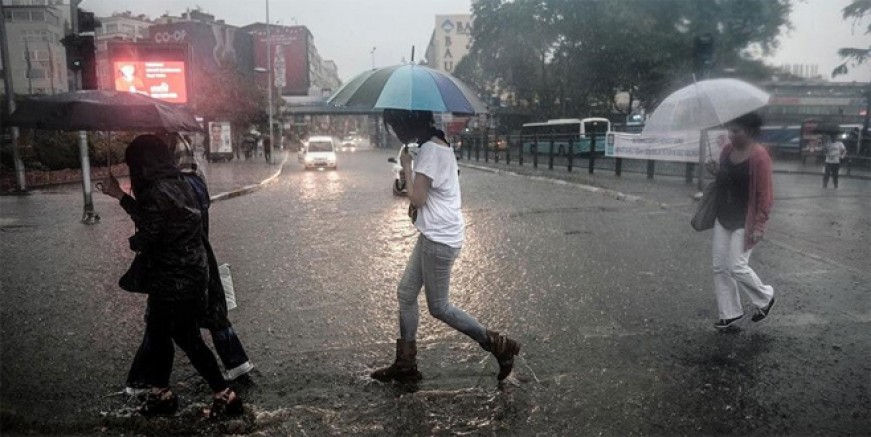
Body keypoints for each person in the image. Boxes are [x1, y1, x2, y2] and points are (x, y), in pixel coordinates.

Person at [371, 109, 521, 383]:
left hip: (439, 239)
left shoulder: (430, 151)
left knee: (439, 307)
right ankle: (406, 363)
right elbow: (418, 192)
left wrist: (406, 163)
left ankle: (498, 345)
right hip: (433, 234)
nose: (394, 131)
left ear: (407, 123)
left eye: (394, 125)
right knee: (406, 293)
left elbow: (417, 199)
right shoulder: (436, 144)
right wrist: (409, 169)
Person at [99, 135, 243, 417]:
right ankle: (161, 393)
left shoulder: (156, 190)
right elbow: (164, 220)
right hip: (190, 274)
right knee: (161, 333)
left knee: (184, 337)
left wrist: (133, 238)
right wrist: (121, 197)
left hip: (173, 280)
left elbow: (152, 232)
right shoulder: (179, 183)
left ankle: (223, 394)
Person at [706, 112, 776, 331]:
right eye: (730, 130)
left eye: (736, 131)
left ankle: (765, 297)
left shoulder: (759, 156)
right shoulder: (727, 150)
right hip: (724, 215)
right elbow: (726, 181)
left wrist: (759, 225)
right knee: (720, 267)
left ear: (750, 132)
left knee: (737, 267)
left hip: (745, 219)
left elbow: (765, 194)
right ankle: (729, 314)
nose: (731, 135)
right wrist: (716, 171)